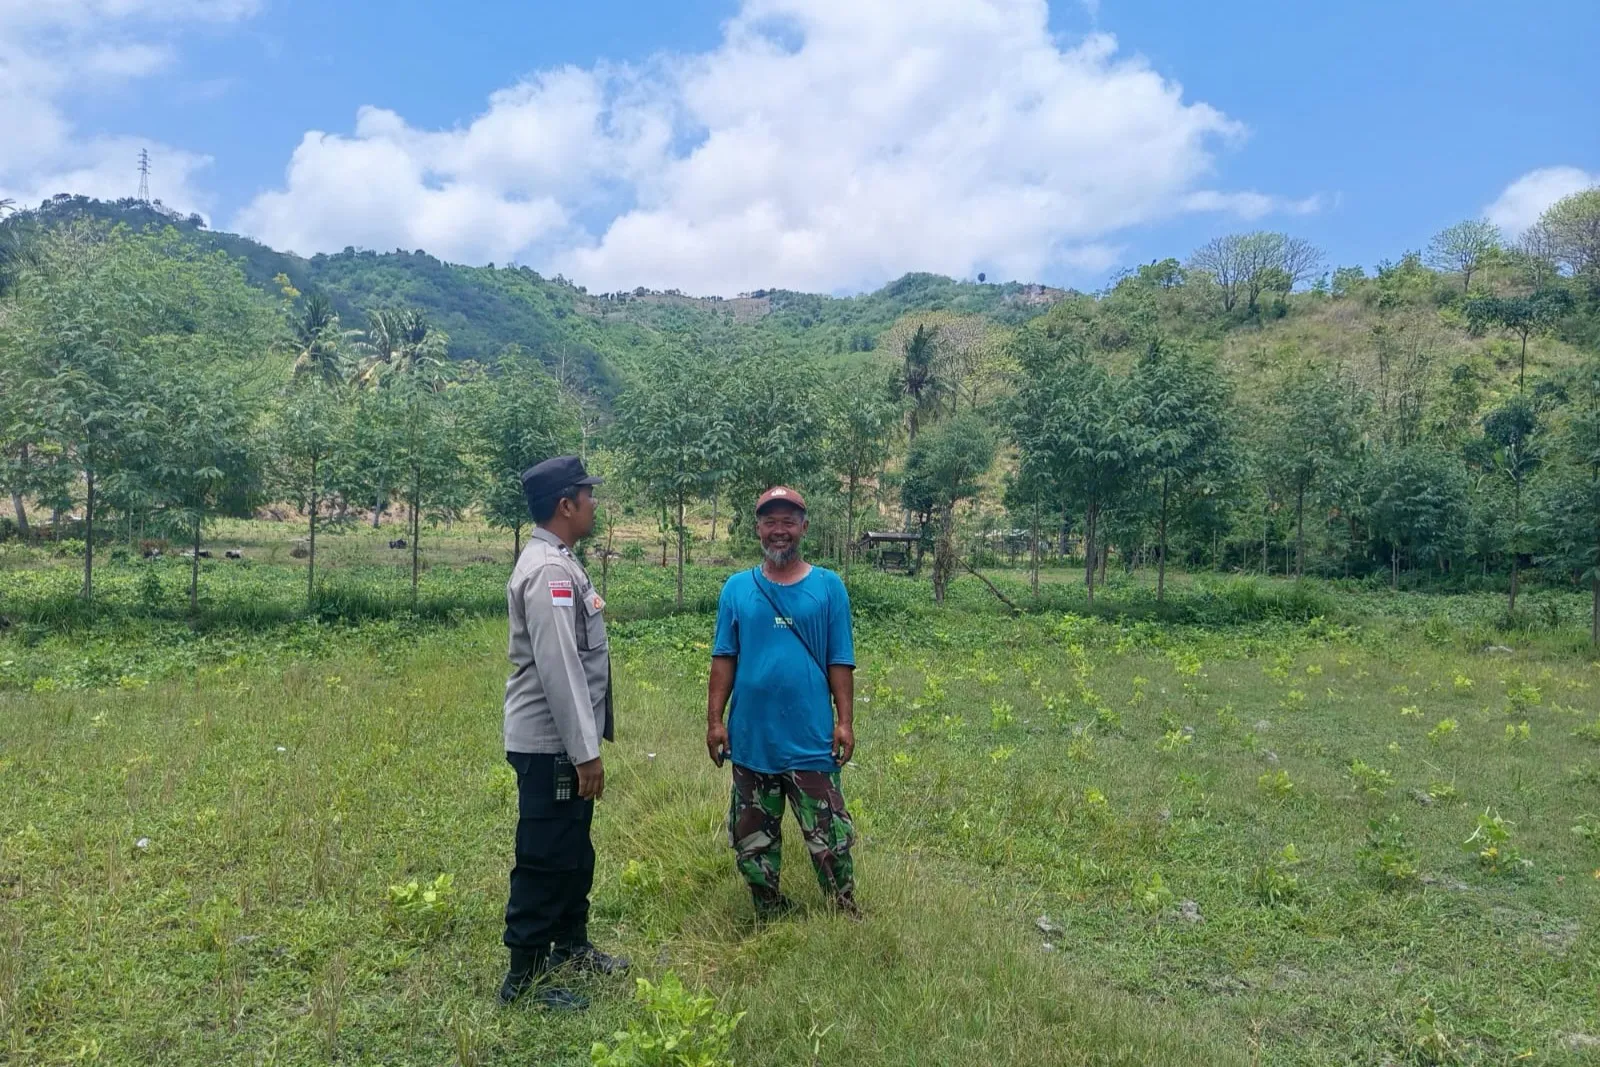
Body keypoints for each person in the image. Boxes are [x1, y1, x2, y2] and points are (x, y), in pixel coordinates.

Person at [499, 455, 628, 1010]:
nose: (595, 503)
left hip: (564, 744)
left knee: (574, 846)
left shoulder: (561, 561)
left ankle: (570, 945)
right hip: (553, 743)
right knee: (545, 854)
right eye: (588, 494)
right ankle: (521, 980)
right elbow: (560, 669)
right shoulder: (549, 571)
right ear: (565, 505)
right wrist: (585, 752)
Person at [706, 486, 861, 919]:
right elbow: (724, 658)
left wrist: (844, 722)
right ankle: (768, 908)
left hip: (810, 739)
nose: (779, 531)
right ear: (758, 528)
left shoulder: (828, 587)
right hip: (752, 739)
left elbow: (840, 659)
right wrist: (715, 721)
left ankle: (843, 907)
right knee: (752, 835)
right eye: (770, 521)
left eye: (788, 521)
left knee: (829, 833)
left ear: (804, 527)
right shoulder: (737, 589)